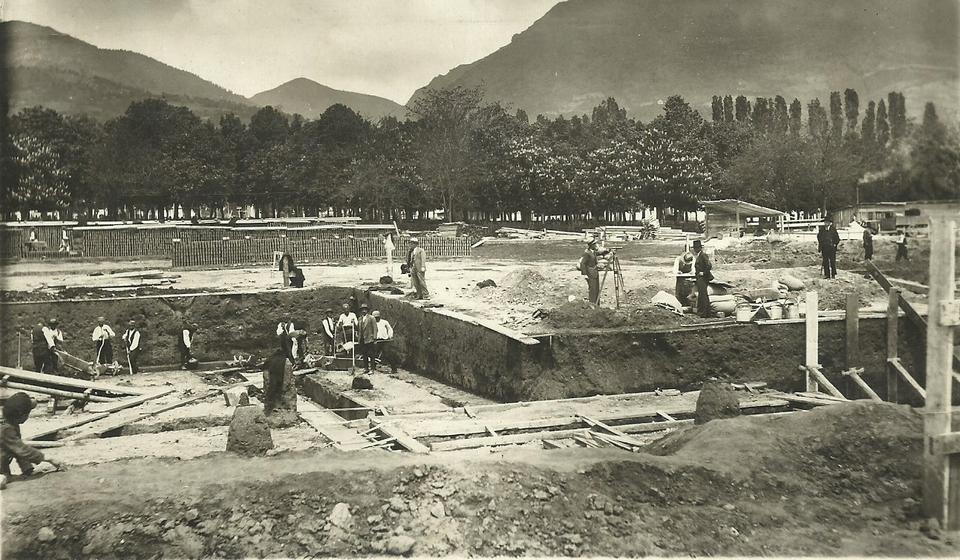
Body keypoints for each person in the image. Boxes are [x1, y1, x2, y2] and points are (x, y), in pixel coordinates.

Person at [1, 392, 65, 489]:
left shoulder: (11, 424)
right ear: (22, 415)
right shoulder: (5, 429)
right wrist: (48, 458)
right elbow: (21, 450)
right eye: (28, 413)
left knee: (5, 478)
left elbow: (17, 448)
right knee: (2, 480)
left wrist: (28, 470)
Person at [692, 240, 714, 318]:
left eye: (696, 248)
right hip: (700, 278)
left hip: (703, 278)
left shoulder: (703, 255)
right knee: (703, 295)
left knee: (703, 295)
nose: (694, 250)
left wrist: (703, 273)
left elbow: (709, 266)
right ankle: (707, 313)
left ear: (699, 248)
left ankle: (704, 313)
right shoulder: (699, 255)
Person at [579, 238, 601, 305]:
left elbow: (599, 253)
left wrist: (608, 251)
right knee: (592, 289)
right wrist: (584, 274)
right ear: (591, 245)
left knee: (597, 289)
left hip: (595, 273)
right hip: (590, 273)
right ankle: (592, 304)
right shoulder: (587, 253)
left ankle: (597, 304)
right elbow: (582, 263)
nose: (596, 245)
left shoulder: (593, 252)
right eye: (595, 244)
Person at [357, 304, 378, 373]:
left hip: (370, 338)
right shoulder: (360, 319)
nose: (364, 311)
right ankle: (366, 368)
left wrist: (374, 338)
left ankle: (372, 369)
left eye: (365, 309)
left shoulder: (371, 318)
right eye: (362, 309)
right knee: (364, 354)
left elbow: (375, 328)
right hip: (362, 339)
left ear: (367, 310)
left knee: (371, 354)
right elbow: (359, 329)